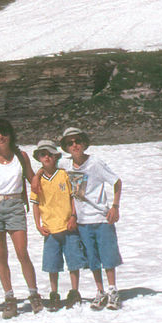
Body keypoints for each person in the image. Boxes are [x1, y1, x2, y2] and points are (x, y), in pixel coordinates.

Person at [0, 118, 44, 317]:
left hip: (15, 206)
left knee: (22, 253)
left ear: (11, 135)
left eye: (4, 133)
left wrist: (44, 172)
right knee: (1, 256)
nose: (1, 137)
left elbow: (32, 179)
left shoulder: (21, 156)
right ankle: (10, 298)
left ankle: (34, 294)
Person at [59, 126, 123, 311]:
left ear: (84, 142)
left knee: (108, 257)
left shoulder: (95, 163)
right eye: (70, 143)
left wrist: (115, 207)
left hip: (101, 218)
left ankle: (112, 290)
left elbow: (117, 182)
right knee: (92, 259)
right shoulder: (66, 165)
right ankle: (100, 291)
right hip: (82, 221)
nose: (75, 145)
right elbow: (47, 168)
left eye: (78, 141)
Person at [29, 139, 84, 309]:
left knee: (73, 262)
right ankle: (54, 293)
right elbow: (36, 204)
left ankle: (74, 292)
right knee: (52, 264)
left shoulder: (65, 174)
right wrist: (38, 225)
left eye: (49, 154)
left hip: (68, 226)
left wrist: (74, 216)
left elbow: (77, 195)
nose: (46, 157)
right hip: (50, 229)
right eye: (42, 154)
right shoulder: (37, 181)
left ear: (56, 156)